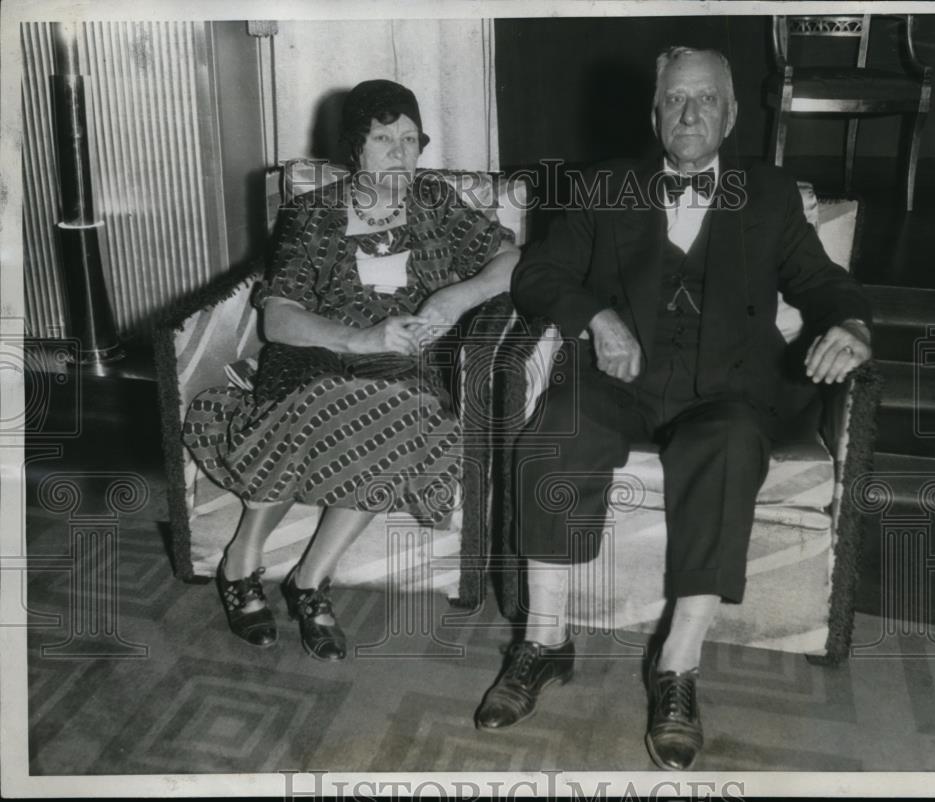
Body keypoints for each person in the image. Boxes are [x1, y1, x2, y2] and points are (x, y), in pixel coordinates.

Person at [473, 47, 872, 769]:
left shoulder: (770, 193)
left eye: (705, 100)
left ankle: (677, 668)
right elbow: (539, 273)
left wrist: (851, 325)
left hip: (727, 390)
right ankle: (544, 639)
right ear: (654, 113)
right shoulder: (605, 188)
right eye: (675, 101)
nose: (689, 114)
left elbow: (820, 280)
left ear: (731, 115)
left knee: (725, 449)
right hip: (621, 384)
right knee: (552, 435)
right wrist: (597, 318)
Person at [183, 79, 520, 661]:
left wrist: (457, 298)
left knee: (403, 413)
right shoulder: (313, 212)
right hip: (314, 354)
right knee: (314, 406)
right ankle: (240, 562)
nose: (400, 152)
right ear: (355, 148)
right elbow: (280, 319)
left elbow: (510, 258)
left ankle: (310, 580)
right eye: (384, 137)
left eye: (411, 139)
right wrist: (360, 338)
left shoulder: (435, 201)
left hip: (400, 367)